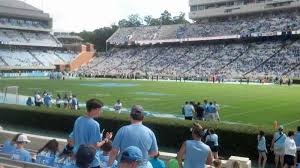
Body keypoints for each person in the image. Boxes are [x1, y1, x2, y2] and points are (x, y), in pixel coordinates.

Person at [70, 98, 113, 168]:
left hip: (77, 158)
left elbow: (71, 140)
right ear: (94, 109)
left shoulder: (78, 120)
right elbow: (95, 146)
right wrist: (106, 139)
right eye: (100, 109)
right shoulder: (95, 124)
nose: (101, 111)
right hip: (91, 161)